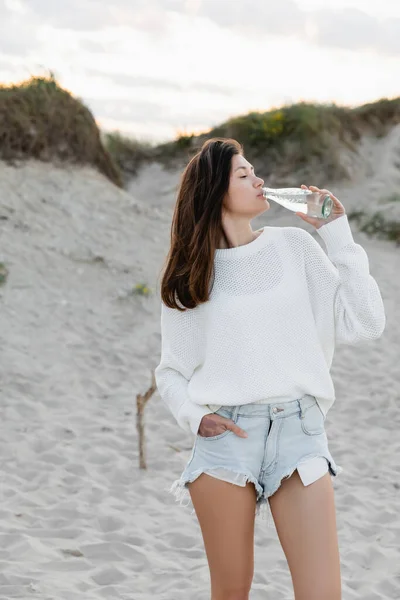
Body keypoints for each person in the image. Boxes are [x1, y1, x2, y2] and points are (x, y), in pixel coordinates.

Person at [154, 137, 386, 600]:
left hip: (299, 431)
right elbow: (171, 372)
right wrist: (195, 417)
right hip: (226, 439)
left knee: (322, 593)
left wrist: (336, 234)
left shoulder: (295, 246)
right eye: (243, 174)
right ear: (213, 191)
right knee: (232, 591)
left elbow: (367, 323)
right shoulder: (192, 277)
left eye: (254, 170)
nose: (259, 179)